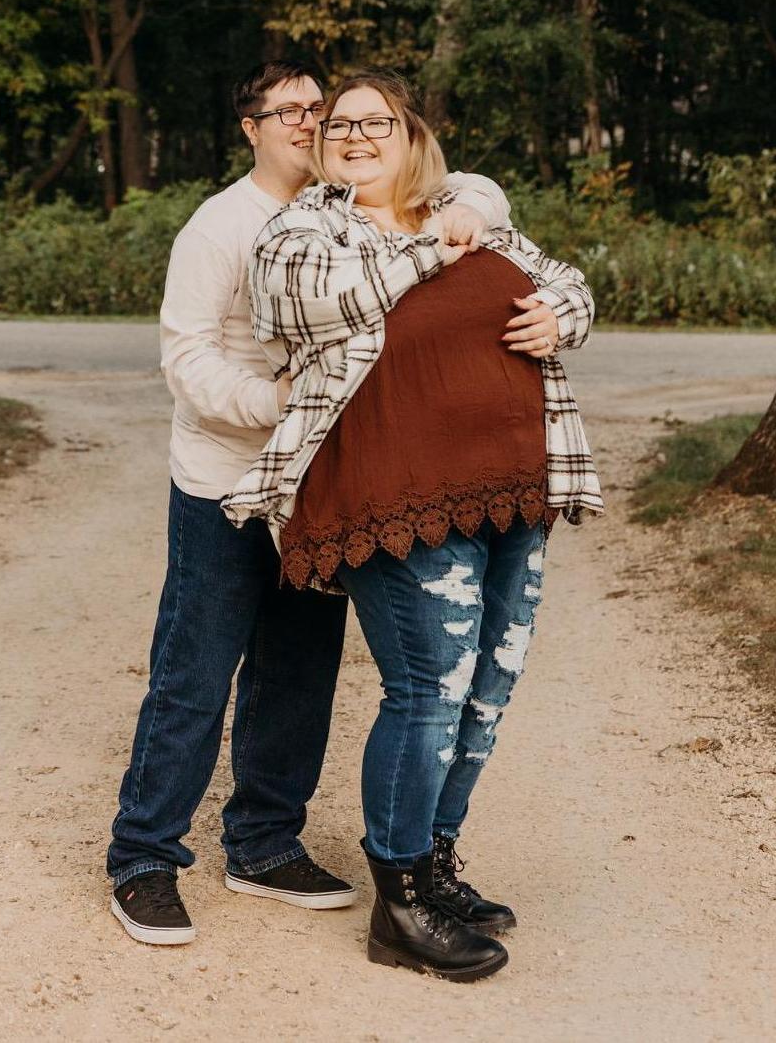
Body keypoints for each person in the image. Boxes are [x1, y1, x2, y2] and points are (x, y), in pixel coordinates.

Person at [106, 61, 518, 947]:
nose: (306, 120)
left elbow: (470, 188)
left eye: (316, 108)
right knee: (194, 672)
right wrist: (276, 403)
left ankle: (263, 843)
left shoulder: (352, 202)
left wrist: (475, 213)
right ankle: (142, 856)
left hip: (318, 486)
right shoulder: (220, 226)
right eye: (285, 110)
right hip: (225, 482)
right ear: (250, 127)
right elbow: (186, 360)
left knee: (299, 671)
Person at [224, 70, 601, 983]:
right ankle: (398, 904)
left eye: (376, 122)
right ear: (321, 148)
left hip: (511, 484)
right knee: (428, 685)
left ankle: (433, 863)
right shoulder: (303, 232)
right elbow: (329, 303)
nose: (355, 135)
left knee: (486, 687)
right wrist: (436, 241)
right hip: (391, 494)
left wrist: (559, 315)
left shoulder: (474, 217)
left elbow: (568, 284)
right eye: (339, 125)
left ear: (411, 134)